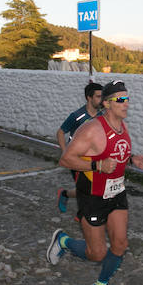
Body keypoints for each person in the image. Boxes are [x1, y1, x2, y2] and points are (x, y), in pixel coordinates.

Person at [46, 81, 143, 285]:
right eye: (121, 99)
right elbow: (66, 159)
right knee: (97, 253)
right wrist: (97, 166)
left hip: (117, 192)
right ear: (107, 104)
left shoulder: (123, 127)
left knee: (120, 244)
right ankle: (64, 241)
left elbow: (117, 154)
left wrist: (132, 160)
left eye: (127, 98)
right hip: (92, 196)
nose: (126, 103)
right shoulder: (92, 129)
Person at [55, 82, 102, 214]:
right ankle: (83, 215)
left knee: (93, 188)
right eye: (98, 96)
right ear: (89, 97)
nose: (101, 100)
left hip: (93, 158)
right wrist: (65, 152)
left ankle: (65, 194)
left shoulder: (101, 116)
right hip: (76, 158)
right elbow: (60, 132)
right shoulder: (77, 116)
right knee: (86, 189)